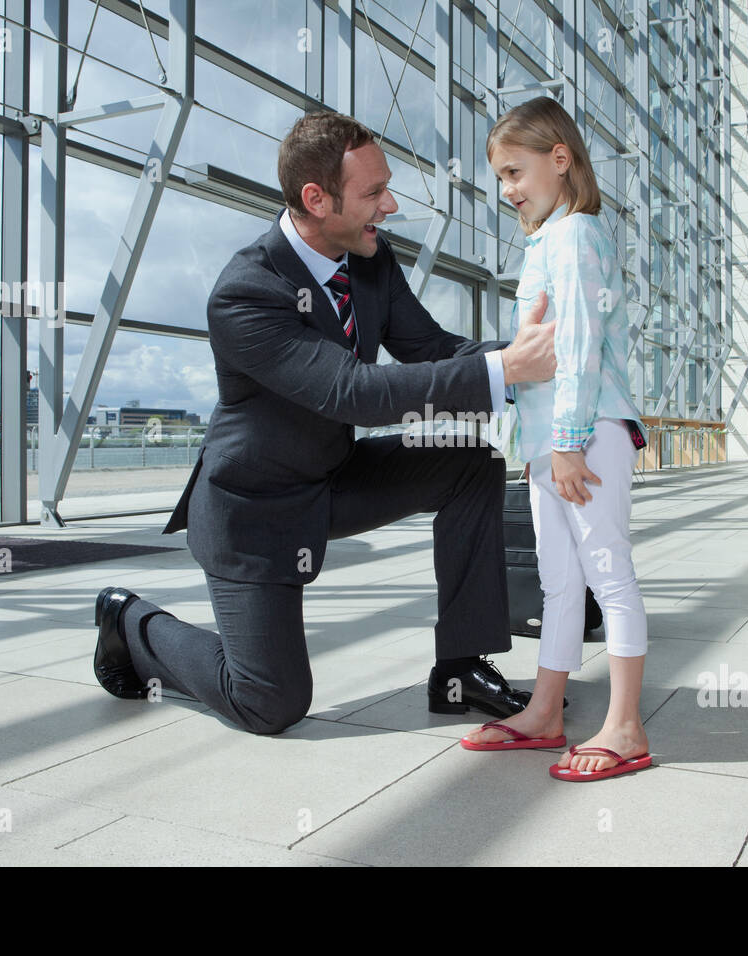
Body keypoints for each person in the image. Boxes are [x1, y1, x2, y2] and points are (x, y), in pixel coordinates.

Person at [91, 110, 559, 734]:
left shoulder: (368, 257)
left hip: (334, 477)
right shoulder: (245, 293)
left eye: (385, 187)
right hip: (255, 512)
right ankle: (130, 623)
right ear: (316, 198)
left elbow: (428, 347)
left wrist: (524, 361)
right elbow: (352, 392)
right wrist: (505, 367)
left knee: (471, 465)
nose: (389, 206)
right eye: (373, 193)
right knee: (270, 702)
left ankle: (459, 670)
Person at [460, 97, 652, 781]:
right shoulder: (552, 240)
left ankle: (625, 728)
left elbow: (579, 347)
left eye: (516, 171)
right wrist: (542, 443)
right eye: (501, 178)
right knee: (560, 582)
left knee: (608, 571)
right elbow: (537, 352)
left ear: (560, 159)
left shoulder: (574, 237)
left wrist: (566, 442)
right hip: (558, 438)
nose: (509, 190)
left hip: (586, 432)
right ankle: (545, 712)